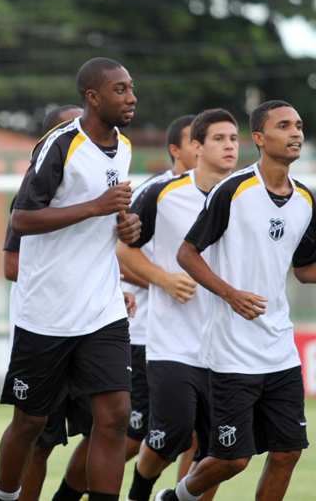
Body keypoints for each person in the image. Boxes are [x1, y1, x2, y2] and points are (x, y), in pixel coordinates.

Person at [0, 57, 141, 501]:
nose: (131, 97)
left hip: (101, 307)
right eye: (120, 90)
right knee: (31, 424)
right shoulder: (59, 146)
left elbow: (111, 218)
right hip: (47, 313)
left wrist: (126, 226)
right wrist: (95, 207)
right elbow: (21, 219)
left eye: (131, 88)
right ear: (93, 98)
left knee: (114, 416)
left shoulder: (126, 148)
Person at [157, 100, 310, 501]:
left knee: (288, 451)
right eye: (283, 126)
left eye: (298, 125)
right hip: (231, 352)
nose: (295, 133)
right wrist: (230, 293)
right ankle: (173, 499)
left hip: (279, 348)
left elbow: (305, 268)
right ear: (259, 139)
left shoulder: (306, 200)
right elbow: (186, 253)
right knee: (232, 460)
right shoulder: (232, 190)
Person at [118, 109, 240, 501]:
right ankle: (140, 491)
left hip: (229, 346)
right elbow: (123, 251)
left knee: (221, 449)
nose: (229, 146)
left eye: (234, 138)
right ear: (195, 147)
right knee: (172, 433)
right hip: (172, 341)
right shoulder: (161, 193)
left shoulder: (246, 195)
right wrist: (164, 279)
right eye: (219, 138)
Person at [3, 104, 94, 501]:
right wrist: (62, 282)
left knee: (111, 426)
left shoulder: (98, 186)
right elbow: (10, 264)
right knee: (40, 438)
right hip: (47, 326)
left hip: (91, 324)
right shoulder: (33, 196)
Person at [119, 114, 198, 467]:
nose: (207, 147)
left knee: (199, 433)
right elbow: (117, 257)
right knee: (133, 438)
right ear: (175, 150)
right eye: (195, 141)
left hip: (202, 335)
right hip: (148, 333)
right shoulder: (152, 193)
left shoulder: (223, 195)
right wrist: (164, 280)